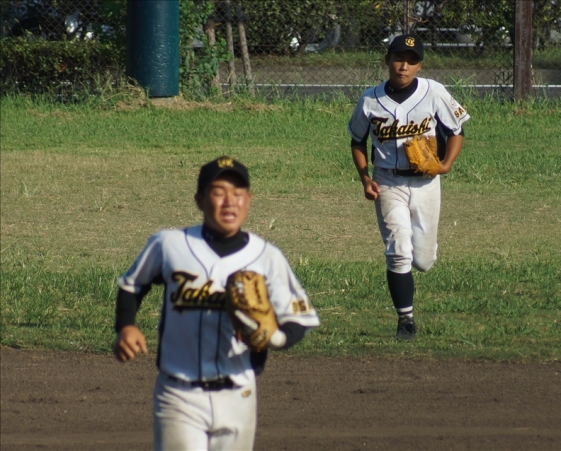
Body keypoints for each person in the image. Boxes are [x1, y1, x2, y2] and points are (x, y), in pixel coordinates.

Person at [113, 156, 320, 451]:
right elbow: (132, 284)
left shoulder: (266, 256)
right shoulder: (169, 244)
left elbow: (299, 317)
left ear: (249, 200)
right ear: (199, 200)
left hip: (239, 394)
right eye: (218, 192)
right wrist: (126, 326)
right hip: (179, 394)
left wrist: (277, 337)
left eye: (238, 193)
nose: (229, 201)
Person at [347, 34, 470, 340]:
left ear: (420, 66)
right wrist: (365, 178)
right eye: (399, 59)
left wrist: (446, 165)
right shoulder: (370, 99)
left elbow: (456, 131)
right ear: (387, 61)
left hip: (427, 182)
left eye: (412, 61)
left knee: (423, 261)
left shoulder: (434, 92)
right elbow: (357, 141)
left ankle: (423, 257)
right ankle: (406, 320)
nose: (404, 66)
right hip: (387, 180)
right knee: (398, 250)